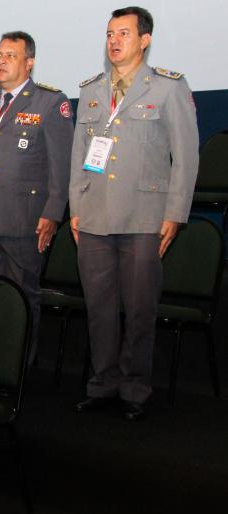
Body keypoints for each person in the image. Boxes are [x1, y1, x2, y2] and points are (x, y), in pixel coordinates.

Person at [70, 6, 198, 421]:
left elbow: (186, 157)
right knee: (100, 306)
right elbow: (79, 156)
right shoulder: (91, 89)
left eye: (123, 33)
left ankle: (135, 388)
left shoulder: (167, 88)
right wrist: (76, 206)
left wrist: (175, 213)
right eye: (109, 33)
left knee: (140, 307)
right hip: (93, 216)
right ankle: (103, 382)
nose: (114, 40)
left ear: (145, 39)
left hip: (145, 215)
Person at [0, 31, 73, 365]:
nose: (1, 61)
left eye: (10, 55)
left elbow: (62, 164)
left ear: (29, 62)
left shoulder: (49, 103)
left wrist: (53, 213)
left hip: (24, 221)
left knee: (21, 297)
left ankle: (17, 368)